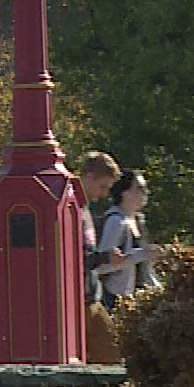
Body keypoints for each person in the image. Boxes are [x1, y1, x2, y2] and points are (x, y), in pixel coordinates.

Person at [77, 151, 125, 363]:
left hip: (91, 296)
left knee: (112, 356)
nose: (104, 194)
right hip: (80, 300)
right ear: (89, 178)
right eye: (103, 186)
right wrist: (105, 257)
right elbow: (74, 259)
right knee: (109, 360)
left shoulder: (83, 209)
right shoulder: (74, 209)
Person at [97, 169, 164, 312]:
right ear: (124, 192)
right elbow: (101, 266)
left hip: (135, 301)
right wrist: (141, 254)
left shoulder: (138, 221)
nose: (145, 192)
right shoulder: (116, 221)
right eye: (139, 188)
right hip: (115, 300)